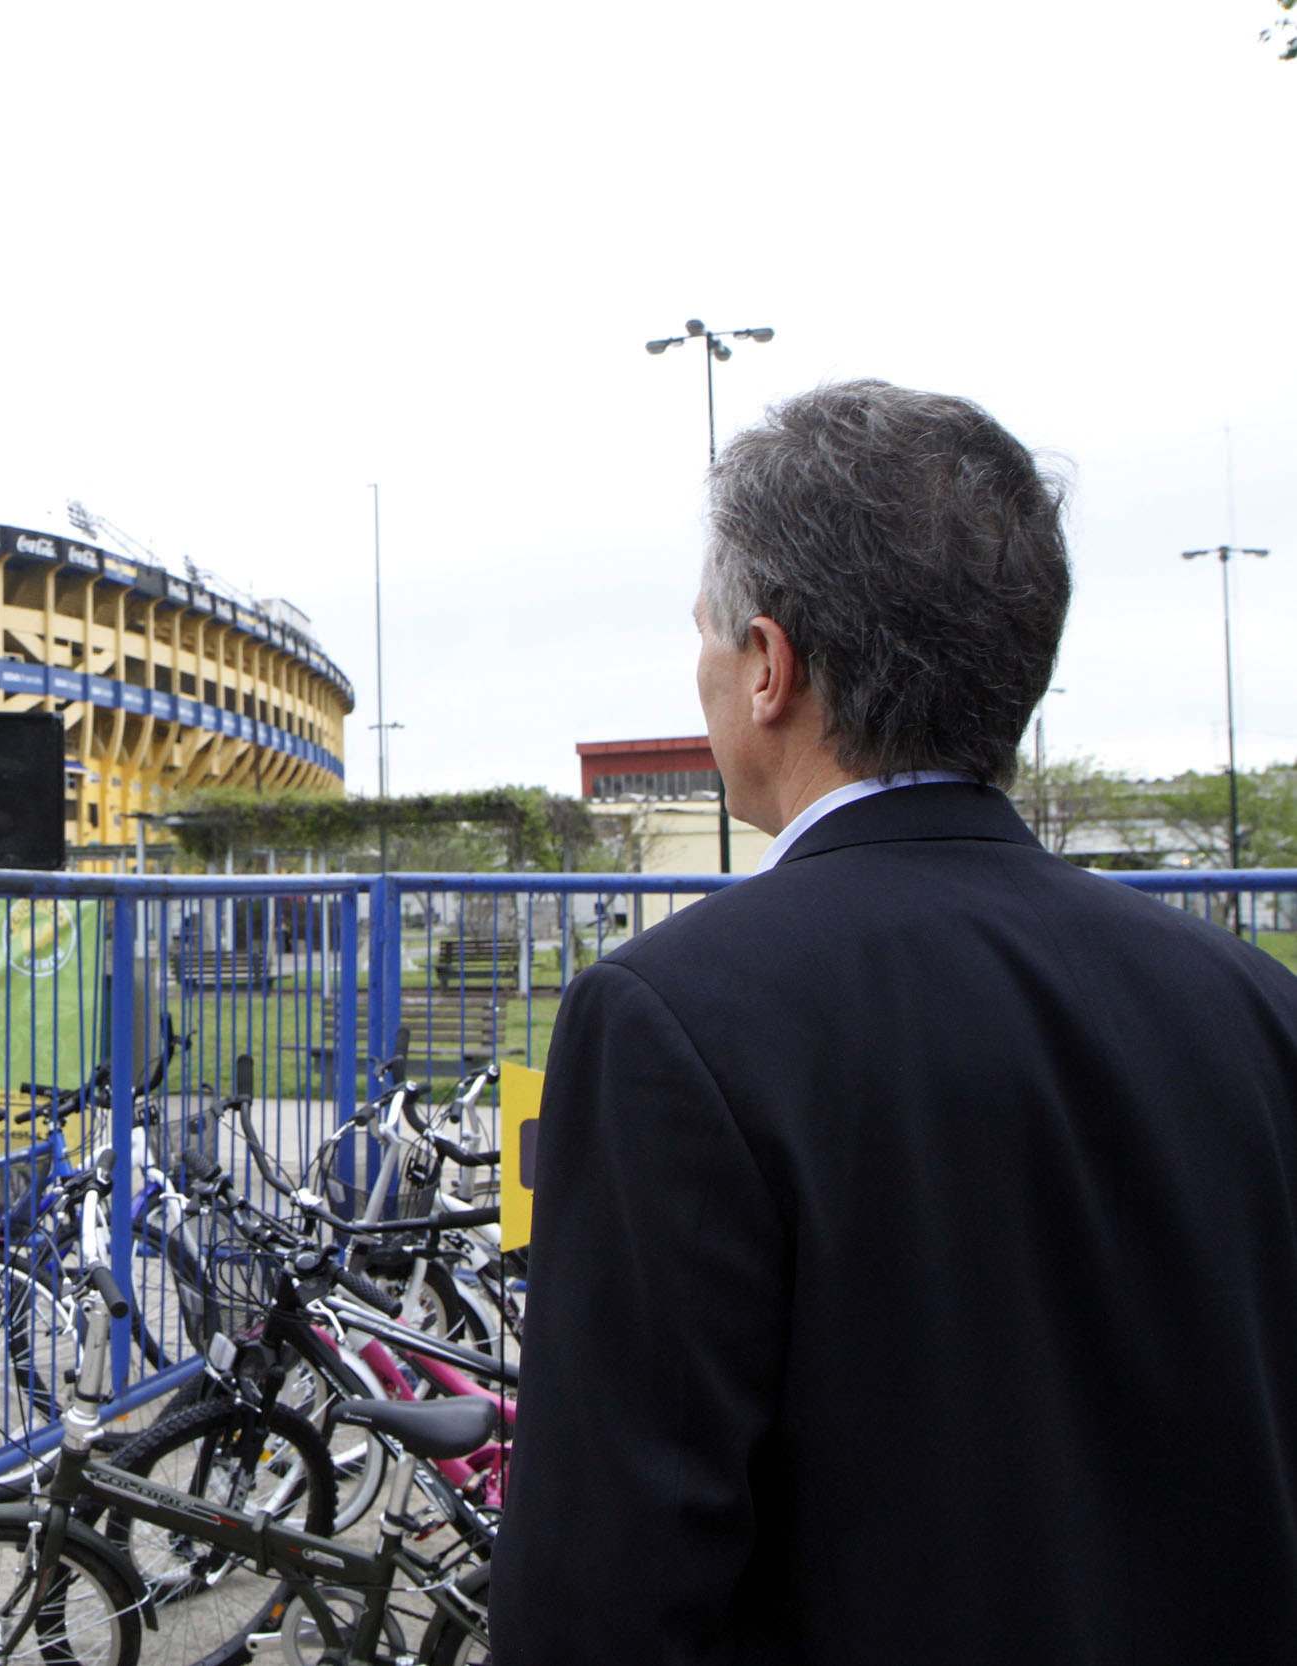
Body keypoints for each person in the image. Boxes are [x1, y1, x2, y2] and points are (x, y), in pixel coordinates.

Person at [491, 381, 1297, 1663]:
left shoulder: (671, 1020)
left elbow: (606, 1592)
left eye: (707, 633)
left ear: (768, 665)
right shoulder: (1252, 1003)